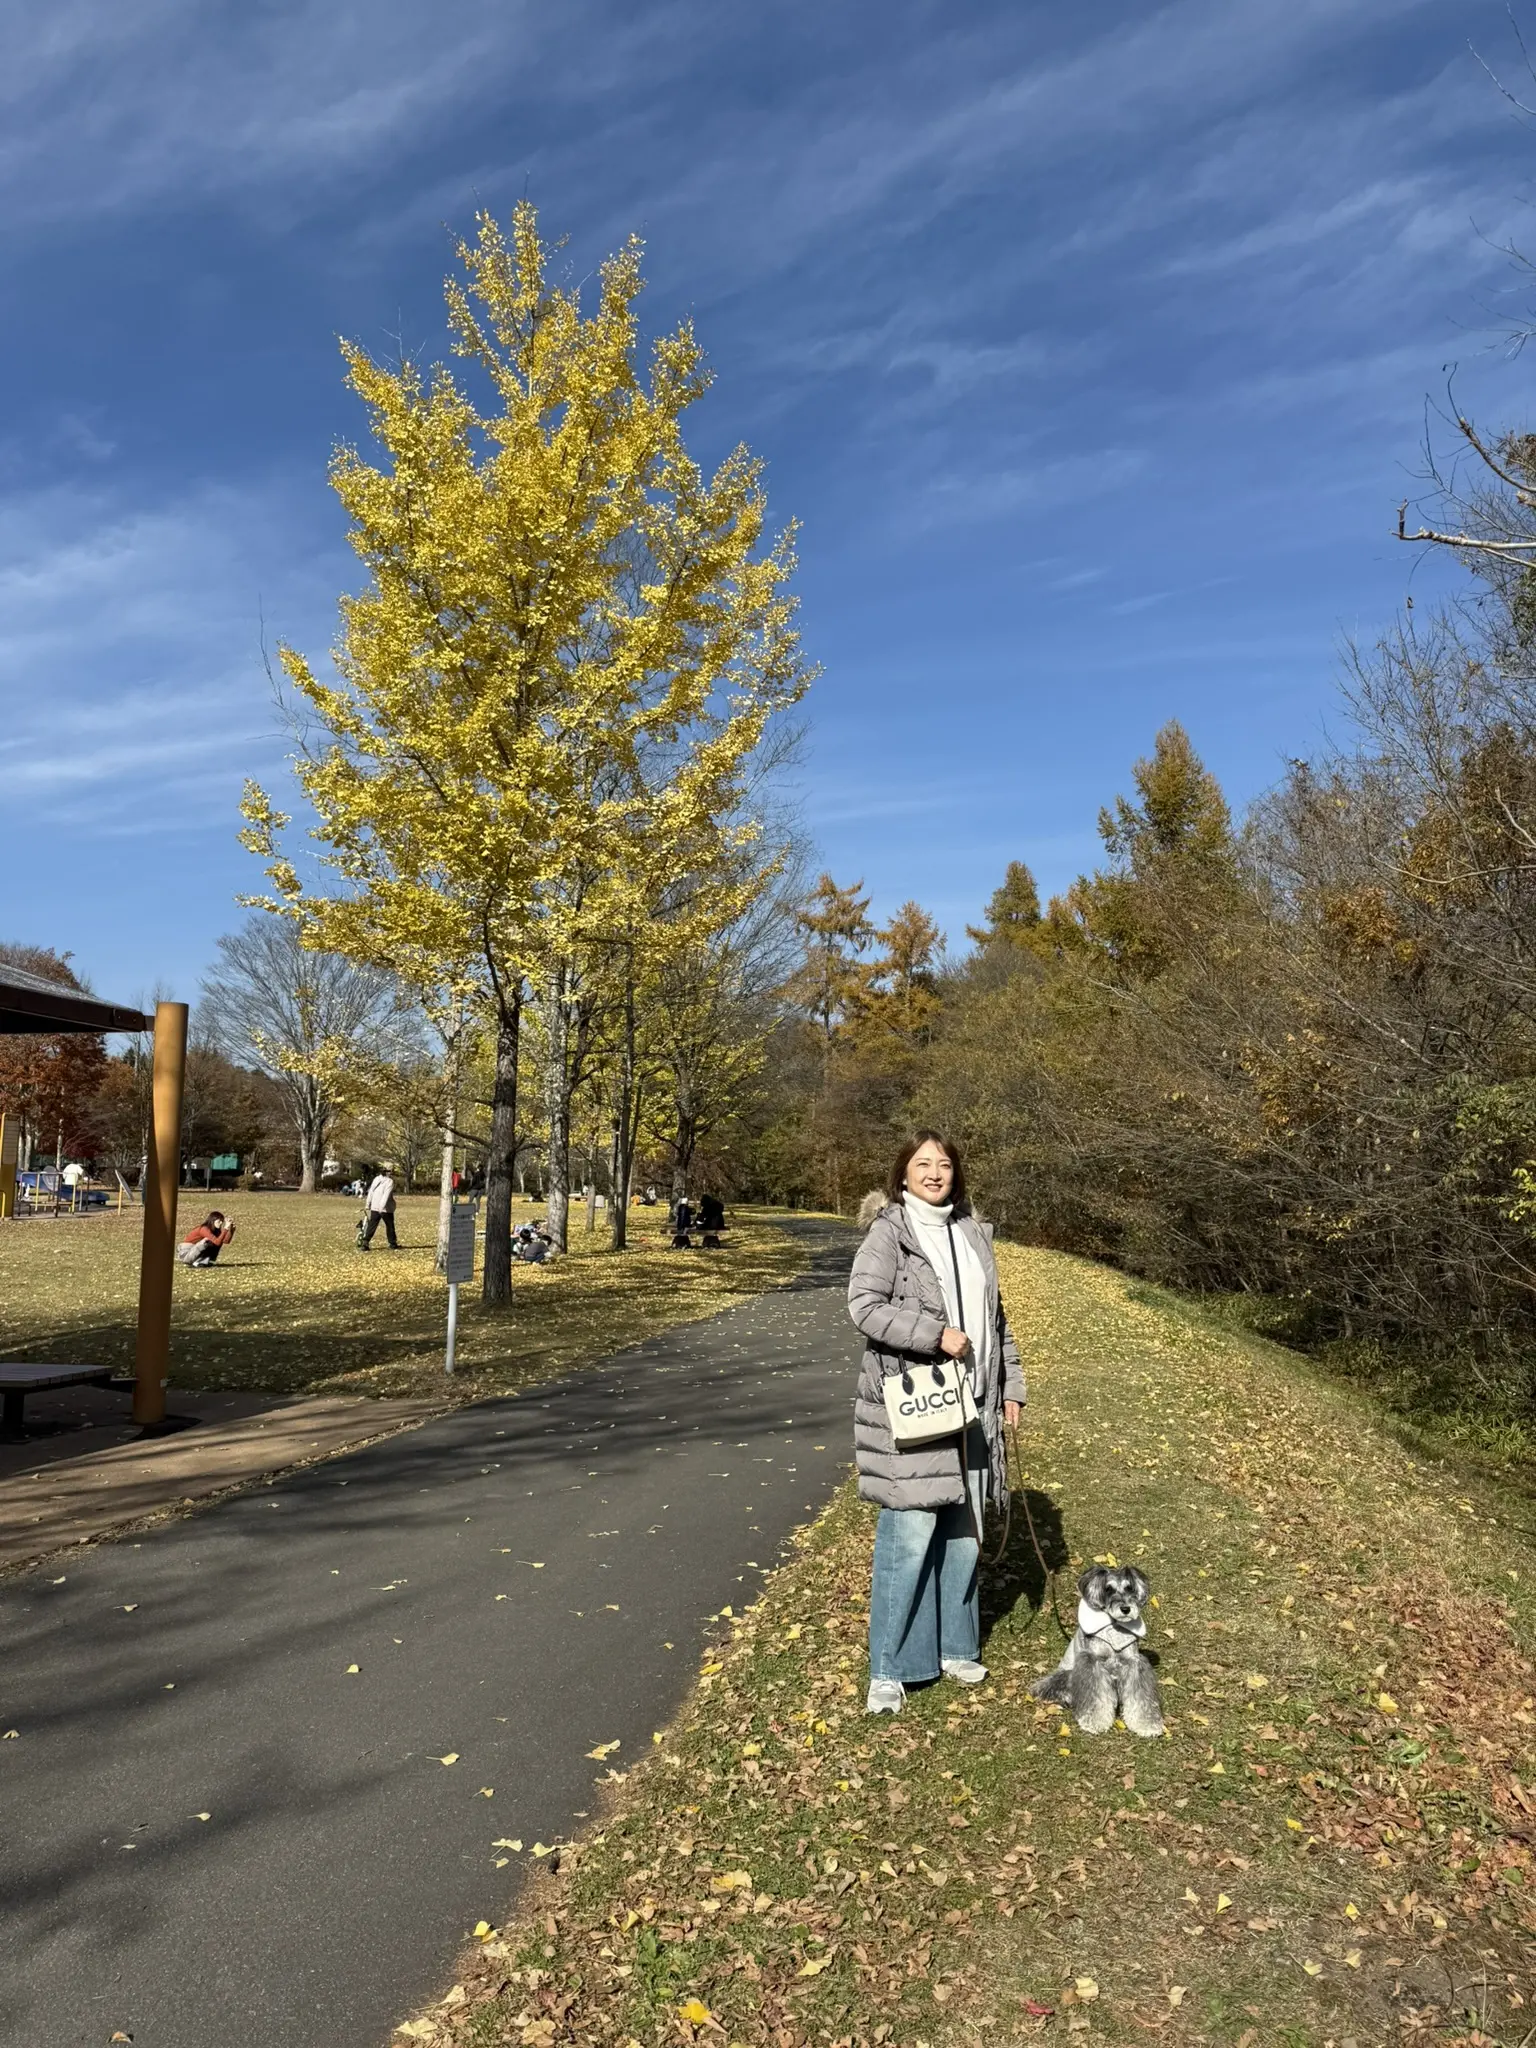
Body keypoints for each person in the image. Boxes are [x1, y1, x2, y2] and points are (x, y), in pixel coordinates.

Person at [847, 1131, 1025, 1716]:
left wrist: (1011, 1387)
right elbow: (864, 1306)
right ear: (903, 1175)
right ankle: (890, 1668)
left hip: (974, 1407)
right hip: (915, 1406)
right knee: (909, 1538)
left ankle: (955, 1647)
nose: (934, 1172)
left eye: (943, 1163)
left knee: (964, 1536)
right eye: (922, 1163)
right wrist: (933, 1334)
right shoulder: (890, 1232)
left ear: (956, 1174)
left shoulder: (973, 1232)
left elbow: (995, 1320)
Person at [360, 1167, 398, 1250]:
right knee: (390, 1225)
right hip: (385, 1208)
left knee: (372, 1225)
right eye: (391, 1171)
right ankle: (392, 1243)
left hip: (374, 1206)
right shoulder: (390, 1181)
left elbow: (371, 1192)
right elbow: (386, 1195)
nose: (392, 1173)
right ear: (387, 1172)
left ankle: (365, 1243)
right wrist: (381, 1207)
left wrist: (368, 1204)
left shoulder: (376, 1179)